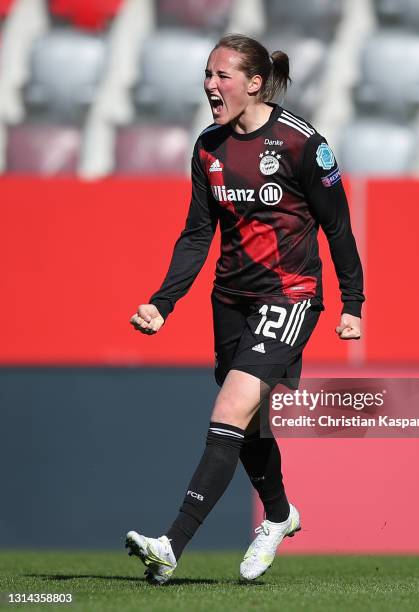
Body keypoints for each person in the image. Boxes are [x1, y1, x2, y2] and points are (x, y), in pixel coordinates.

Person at [126, 33, 364, 584]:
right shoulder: (208, 146)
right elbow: (196, 234)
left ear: (255, 83)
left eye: (222, 76)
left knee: (230, 409)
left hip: (291, 295)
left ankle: (171, 543)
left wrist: (352, 303)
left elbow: (339, 229)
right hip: (229, 298)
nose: (211, 86)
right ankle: (279, 516)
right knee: (249, 424)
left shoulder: (303, 144)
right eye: (207, 75)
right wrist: (164, 302)